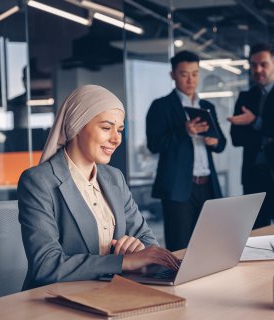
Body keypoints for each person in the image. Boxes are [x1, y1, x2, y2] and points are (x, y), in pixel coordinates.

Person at [18, 85, 179, 290]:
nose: (116, 138)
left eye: (119, 130)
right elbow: (45, 265)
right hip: (53, 299)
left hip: (108, 292)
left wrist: (138, 249)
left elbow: (147, 239)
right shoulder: (38, 181)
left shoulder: (114, 178)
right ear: (77, 125)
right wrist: (123, 262)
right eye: (106, 127)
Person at [146, 50, 226, 251]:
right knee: (180, 247)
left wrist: (213, 141)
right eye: (184, 74)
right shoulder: (161, 106)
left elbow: (222, 143)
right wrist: (184, 132)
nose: (191, 80)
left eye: (195, 73)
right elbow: (154, 144)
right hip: (178, 189)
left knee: (210, 245)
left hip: (207, 186)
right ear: (172, 75)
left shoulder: (206, 106)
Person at [228, 43, 274, 228]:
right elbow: (236, 138)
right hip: (252, 177)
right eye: (253, 65)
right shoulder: (244, 98)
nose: (258, 69)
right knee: (255, 234)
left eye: (263, 64)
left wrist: (255, 122)